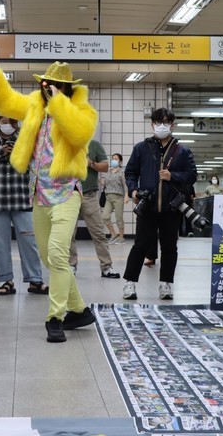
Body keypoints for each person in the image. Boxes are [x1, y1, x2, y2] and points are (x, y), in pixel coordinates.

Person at [0, 48, 98, 344]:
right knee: (49, 257)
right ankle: (79, 310)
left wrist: (59, 102)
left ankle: (55, 317)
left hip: (68, 193)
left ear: (68, 89)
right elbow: (7, 101)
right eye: (44, 84)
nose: (47, 89)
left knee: (58, 255)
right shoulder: (34, 107)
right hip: (39, 196)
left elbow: (80, 134)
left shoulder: (81, 112)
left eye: (54, 85)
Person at [122, 108, 197, 301]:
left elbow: (192, 176)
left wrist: (174, 176)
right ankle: (130, 283)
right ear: (152, 124)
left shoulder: (182, 150)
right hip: (148, 206)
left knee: (169, 247)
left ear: (172, 125)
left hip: (172, 207)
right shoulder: (141, 148)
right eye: (157, 122)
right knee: (140, 245)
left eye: (165, 122)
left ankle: (166, 285)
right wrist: (133, 190)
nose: (161, 125)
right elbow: (130, 173)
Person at [0, 115, 47, 295]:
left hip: (21, 199)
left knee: (29, 241)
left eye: (13, 121)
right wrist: (1, 153)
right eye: (5, 121)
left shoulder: (27, 141)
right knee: (0, 244)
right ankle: (6, 281)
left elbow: (36, 166)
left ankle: (35, 280)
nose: (9, 124)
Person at [69, 139, 120, 278]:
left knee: (98, 233)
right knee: (68, 234)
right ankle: (71, 265)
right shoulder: (65, 142)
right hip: (68, 194)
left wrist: (90, 163)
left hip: (89, 195)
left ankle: (106, 267)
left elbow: (105, 167)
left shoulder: (94, 144)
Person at [101, 153, 127, 244]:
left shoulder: (121, 172)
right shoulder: (109, 172)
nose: (114, 160)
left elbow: (125, 185)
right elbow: (105, 184)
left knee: (119, 218)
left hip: (118, 197)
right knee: (105, 216)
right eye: (113, 159)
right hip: (108, 197)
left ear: (120, 161)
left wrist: (126, 196)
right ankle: (113, 234)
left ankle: (121, 238)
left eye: (116, 159)